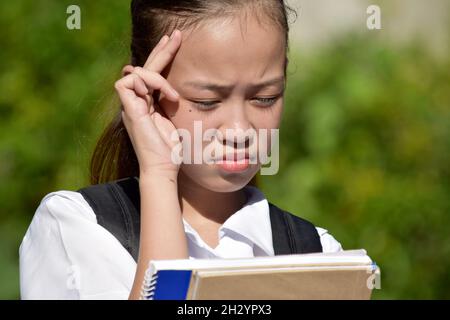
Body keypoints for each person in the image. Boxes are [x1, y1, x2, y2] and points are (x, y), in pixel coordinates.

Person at [19, 0, 343, 300]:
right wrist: (159, 174)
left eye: (265, 97)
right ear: (148, 89)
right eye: (207, 102)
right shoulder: (79, 229)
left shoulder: (319, 254)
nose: (240, 130)